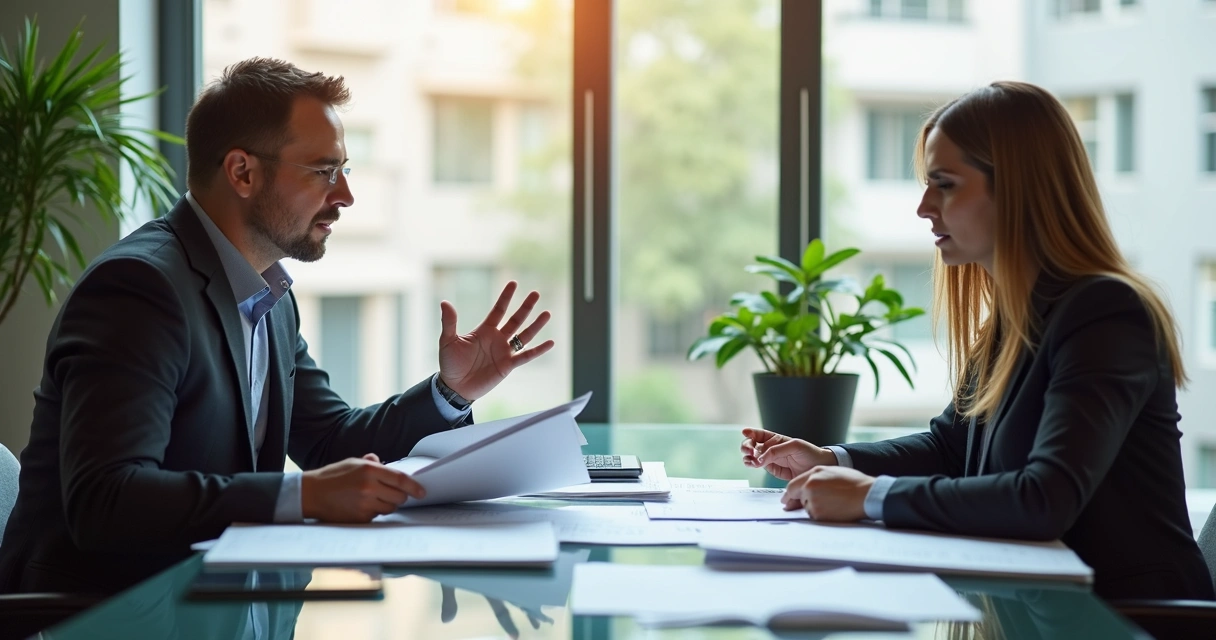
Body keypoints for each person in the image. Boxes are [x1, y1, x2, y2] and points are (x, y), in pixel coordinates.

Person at [0, 57, 554, 594]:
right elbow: (106, 501)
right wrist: (302, 497)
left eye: (345, 171)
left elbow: (331, 442)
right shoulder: (139, 290)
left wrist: (450, 392)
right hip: (98, 614)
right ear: (242, 171)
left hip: (214, 602)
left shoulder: (268, 294)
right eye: (324, 171)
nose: (345, 196)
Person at [741, 80, 1215, 602]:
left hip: (1131, 618)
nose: (924, 207)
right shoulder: (1016, 316)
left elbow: (1044, 499)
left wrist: (871, 496)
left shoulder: (1106, 312)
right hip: (1036, 608)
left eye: (944, 184)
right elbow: (950, 446)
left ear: (1017, 189)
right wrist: (834, 461)